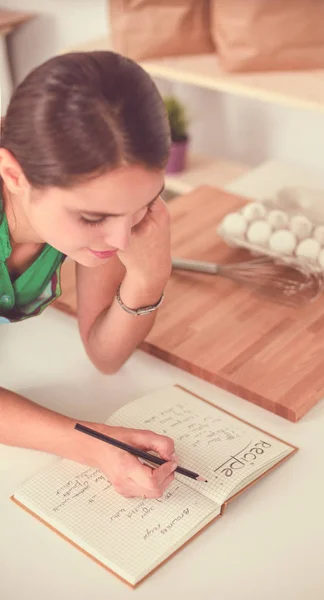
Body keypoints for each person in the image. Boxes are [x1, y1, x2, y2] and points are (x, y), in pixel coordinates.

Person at [0, 50, 178, 499]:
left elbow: (105, 355)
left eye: (143, 204)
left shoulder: (105, 217)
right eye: (94, 217)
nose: (121, 239)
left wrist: (149, 275)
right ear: (13, 175)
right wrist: (95, 446)